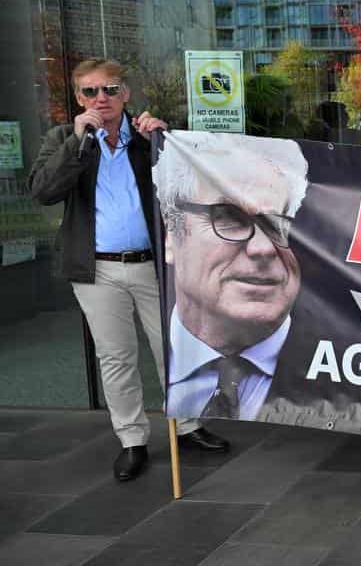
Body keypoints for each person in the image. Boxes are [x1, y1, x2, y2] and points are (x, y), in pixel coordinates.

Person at [28, 58, 229, 482]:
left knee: (173, 351)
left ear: (126, 94)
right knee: (117, 358)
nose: (101, 98)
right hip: (97, 271)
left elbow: (190, 188)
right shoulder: (64, 138)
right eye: (90, 91)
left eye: (110, 89)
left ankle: (189, 427)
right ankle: (132, 440)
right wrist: (77, 143)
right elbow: (44, 191)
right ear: (78, 98)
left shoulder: (146, 138)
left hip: (152, 267)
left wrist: (162, 139)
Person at [154, 132, 309, 423]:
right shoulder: (158, 359)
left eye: (278, 223)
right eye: (227, 217)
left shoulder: (354, 373)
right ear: (171, 238)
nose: (263, 248)